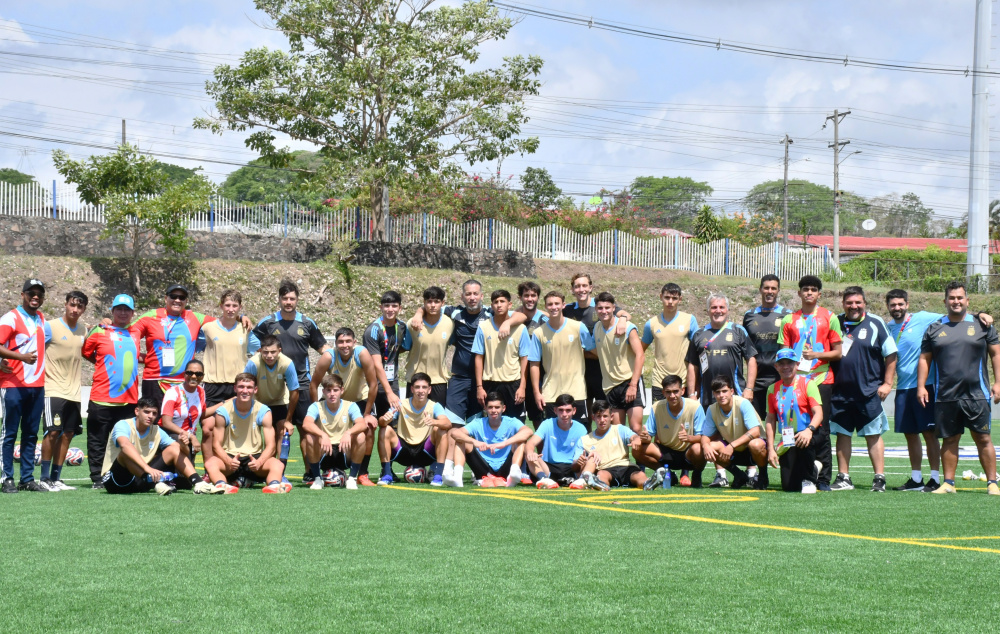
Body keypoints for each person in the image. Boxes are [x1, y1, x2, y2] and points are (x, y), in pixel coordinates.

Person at [883, 289, 991, 492]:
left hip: (927, 386)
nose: (897, 308)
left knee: (929, 433)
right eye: (893, 305)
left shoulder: (924, 318)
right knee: (909, 433)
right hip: (903, 387)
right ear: (888, 306)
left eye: (900, 304)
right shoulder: (888, 327)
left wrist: (980, 314)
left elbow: (955, 312)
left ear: (907, 304)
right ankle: (916, 479)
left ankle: (934, 478)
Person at [917, 281, 1000, 496]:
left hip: (977, 393)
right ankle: (948, 483)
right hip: (946, 394)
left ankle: (992, 483)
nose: (956, 301)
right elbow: (924, 359)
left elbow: (996, 354)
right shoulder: (934, 328)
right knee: (950, 439)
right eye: (952, 298)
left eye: (960, 298)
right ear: (945, 301)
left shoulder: (982, 325)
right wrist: (921, 386)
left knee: (983, 438)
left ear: (967, 300)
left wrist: (998, 382)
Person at [411, 279, 528, 422]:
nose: (472, 297)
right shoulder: (454, 312)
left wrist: (508, 322)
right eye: (468, 294)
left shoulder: (491, 312)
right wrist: (418, 313)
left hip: (484, 380)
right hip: (460, 377)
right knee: (453, 424)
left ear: (481, 296)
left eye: (475, 294)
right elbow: (431, 305)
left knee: (477, 425)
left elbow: (521, 315)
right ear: (462, 297)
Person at [252, 280, 328, 481]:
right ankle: (277, 472)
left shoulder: (307, 322)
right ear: (279, 299)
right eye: (284, 298)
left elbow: (323, 347)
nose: (288, 302)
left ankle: (310, 472)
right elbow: (250, 342)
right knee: (278, 430)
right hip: (275, 386)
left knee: (306, 430)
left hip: (302, 384)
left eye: (292, 298)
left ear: (297, 299)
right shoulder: (268, 322)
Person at [133, 284, 246, 411]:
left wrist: (240, 317)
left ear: (186, 301)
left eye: (182, 297)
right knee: (152, 423)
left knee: (182, 423)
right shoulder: (151, 316)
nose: (177, 300)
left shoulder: (194, 317)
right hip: (155, 380)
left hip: (184, 381)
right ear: (166, 298)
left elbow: (224, 320)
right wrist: (142, 357)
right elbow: (127, 334)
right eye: (173, 296)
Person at [777, 275, 842, 491]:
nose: (809, 293)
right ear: (799, 293)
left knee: (820, 431)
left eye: (814, 289)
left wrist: (816, 354)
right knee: (791, 425)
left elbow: (838, 352)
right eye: (805, 289)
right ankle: (796, 474)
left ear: (819, 294)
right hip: (795, 380)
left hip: (821, 377)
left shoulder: (829, 317)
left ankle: (822, 479)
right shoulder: (789, 320)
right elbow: (782, 352)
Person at [829, 287, 896, 493]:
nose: (854, 306)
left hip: (868, 391)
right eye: (849, 302)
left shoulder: (876, 323)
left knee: (873, 434)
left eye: (858, 302)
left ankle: (879, 478)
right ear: (843, 304)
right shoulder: (835, 322)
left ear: (864, 303)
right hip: (839, 392)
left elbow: (891, 354)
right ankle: (844, 477)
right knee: (842, 434)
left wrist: (887, 383)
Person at [81, 294, 142, 489]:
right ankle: (97, 478)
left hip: (129, 399)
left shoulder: (136, 331)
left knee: (123, 440)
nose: (123, 313)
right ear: (112, 311)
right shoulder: (100, 330)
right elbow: (85, 352)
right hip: (102, 397)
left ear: (132, 313)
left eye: (127, 309)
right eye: (119, 309)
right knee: (97, 440)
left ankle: (117, 474)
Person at [100, 398, 214, 495]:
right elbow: (124, 445)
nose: (150, 416)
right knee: (125, 453)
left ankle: (199, 483)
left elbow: (177, 449)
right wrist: (148, 469)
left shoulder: (156, 430)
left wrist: (183, 444)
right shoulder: (123, 425)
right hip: (115, 482)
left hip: (143, 479)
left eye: (154, 413)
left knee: (174, 448)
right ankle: (155, 482)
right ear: (137, 411)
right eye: (147, 412)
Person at [310, 327, 379, 485]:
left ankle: (362, 473)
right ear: (335, 344)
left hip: (358, 399)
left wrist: (367, 413)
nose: (345, 345)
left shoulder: (362, 354)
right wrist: (315, 410)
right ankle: (313, 473)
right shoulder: (328, 357)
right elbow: (313, 384)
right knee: (314, 433)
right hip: (334, 399)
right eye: (341, 342)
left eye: (348, 341)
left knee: (367, 428)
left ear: (354, 342)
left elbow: (373, 384)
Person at [0, 279, 49, 493]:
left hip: (37, 385)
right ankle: (6, 478)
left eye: (39, 293)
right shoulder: (11, 317)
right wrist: (19, 357)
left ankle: (27, 478)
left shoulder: (41, 318)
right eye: (31, 293)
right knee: (9, 433)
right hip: (13, 384)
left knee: (30, 433)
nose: (35, 296)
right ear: (23, 294)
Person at [204, 373, 289, 494]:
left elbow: (271, 445)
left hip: (254, 458)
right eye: (241, 387)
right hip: (231, 458)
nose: (245, 391)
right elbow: (216, 445)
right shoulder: (223, 411)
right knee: (210, 463)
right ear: (235, 388)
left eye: (249, 387)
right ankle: (222, 486)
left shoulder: (263, 411)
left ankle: (274, 485)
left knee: (277, 465)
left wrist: (259, 462)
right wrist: (228, 461)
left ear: (255, 390)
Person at [39, 290, 88, 491]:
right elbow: (31, 348)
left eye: (80, 306)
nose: (75, 309)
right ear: (66, 304)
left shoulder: (83, 330)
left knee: (68, 434)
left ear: (84, 309)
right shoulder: (50, 326)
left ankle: (56, 478)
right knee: (52, 432)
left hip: (74, 392)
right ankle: (44, 478)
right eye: (72, 305)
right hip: (53, 389)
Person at [562, 273, 631, 418]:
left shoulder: (600, 305)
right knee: (583, 415)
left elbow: (625, 313)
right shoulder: (567, 310)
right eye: (577, 286)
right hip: (580, 369)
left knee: (604, 414)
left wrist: (623, 320)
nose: (581, 289)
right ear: (572, 289)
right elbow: (551, 315)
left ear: (590, 287)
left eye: (584, 286)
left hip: (603, 368)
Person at [528, 291, 596, 427]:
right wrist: (537, 392)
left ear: (563, 305)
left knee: (581, 435)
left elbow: (595, 352)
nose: (554, 307)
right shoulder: (538, 333)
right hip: (551, 393)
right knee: (553, 435)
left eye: (557, 304)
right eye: (550, 304)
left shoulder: (578, 327)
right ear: (545, 307)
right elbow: (534, 364)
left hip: (577, 392)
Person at [364, 291, 412, 475]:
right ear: (381, 307)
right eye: (386, 305)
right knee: (370, 426)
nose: (390, 309)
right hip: (372, 385)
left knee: (391, 425)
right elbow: (377, 364)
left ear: (399, 308)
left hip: (391, 382)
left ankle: (387, 470)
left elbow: (399, 350)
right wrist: (390, 392)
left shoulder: (402, 327)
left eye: (394, 306)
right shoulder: (373, 330)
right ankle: (363, 471)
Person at [376, 372, 453, 486]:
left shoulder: (434, 406)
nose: (420, 390)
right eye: (417, 387)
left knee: (440, 429)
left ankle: (438, 476)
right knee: (384, 429)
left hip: (425, 452)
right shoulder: (401, 404)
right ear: (412, 389)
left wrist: (434, 422)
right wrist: (385, 419)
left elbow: (448, 423)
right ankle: (387, 474)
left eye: (424, 387)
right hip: (403, 450)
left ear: (429, 390)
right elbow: (381, 422)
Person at [765, 348, 825, 494]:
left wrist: (809, 430)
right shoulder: (772, 389)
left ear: (797, 364)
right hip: (787, 437)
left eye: (790, 363)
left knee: (803, 438)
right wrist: (771, 449)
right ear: (776, 367)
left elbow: (819, 413)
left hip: (810, 433)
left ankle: (809, 479)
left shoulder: (808, 383)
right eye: (782, 363)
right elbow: (770, 420)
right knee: (789, 486)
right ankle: (814, 468)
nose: (786, 367)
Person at [686, 293, 757, 409]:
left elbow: (751, 358)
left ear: (727, 310)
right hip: (708, 396)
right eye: (714, 307)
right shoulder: (699, 334)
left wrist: (749, 388)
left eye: (721, 307)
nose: (718, 311)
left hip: (735, 394)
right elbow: (692, 365)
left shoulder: (738, 331)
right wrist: (691, 394)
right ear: (708, 310)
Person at [448, 392, 533, 487]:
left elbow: (528, 432)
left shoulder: (511, 422)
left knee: (521, 441)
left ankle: (514, 473)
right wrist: (475, 442)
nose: (493, 410)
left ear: (503, 408)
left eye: (497, 407)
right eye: (490, 407)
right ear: (485, 408)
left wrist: (504, 443)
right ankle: (457, 478)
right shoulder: (478, 423)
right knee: (461, 440)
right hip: (483, 468)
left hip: (505, 468)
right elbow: (455, 433)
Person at [301, 374, 369, 490]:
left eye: (335, 390)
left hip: (344, 452)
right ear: (323, 391)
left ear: (341, 390)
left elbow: (362, 424)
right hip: (324, 452)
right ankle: (317, 479)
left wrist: (348, 433)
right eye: (328, 390)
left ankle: (352, 479)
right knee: (309, 437)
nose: (332, 394)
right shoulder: (316, 406)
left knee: (361, 436)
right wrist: (322, 435)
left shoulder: (350, 406)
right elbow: (306, 424)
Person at [638, 375, 707, 489]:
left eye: (675, 391)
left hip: (687, 453)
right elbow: (649, 435)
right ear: (663, 393)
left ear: (682, 390)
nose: (672, 396)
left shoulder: (695, 407)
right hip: (665, 452)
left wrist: (689, 438)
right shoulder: (657, 407)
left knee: (699, 448)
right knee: (638, 449)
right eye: (668, 392)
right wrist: (645, 437)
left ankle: (697, 474)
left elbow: (703, 437)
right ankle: (667, 474)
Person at [472, 289, 531, 420]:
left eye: (502, 301)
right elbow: (479, 357)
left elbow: (524, 359)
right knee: (492, 421)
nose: (499, 305)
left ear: (509, 305)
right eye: (495, 302)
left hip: (513, 383)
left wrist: (522, 386)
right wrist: (479, 387)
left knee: (516, 424)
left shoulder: (521, 328)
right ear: (491, 305)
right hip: (490, 383)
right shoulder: (483, 326)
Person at [701, 376, 767, 490]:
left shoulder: (743, 403)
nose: (721, 395)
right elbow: (705, 436)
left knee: (756, 444)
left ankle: (763, 476)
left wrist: (731, 445)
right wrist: (705, 446)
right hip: (733, 450)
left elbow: (755, 431)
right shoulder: (712, 409)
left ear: (732, 391)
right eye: (717, 392)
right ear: (713, 394)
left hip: (751, 449)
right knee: (711, 446)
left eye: (724, 391)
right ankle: (739, 475)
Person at [243, 335, 299, 467]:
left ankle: (280, 468)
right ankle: (249, 468)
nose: (269, 355)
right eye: (265, 352)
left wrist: (288, 420)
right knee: (254, 434)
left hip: (279, 401)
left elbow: (294, 391)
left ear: (279, 350)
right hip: (258, 403)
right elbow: (245, 387)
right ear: (260, 351)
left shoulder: (287, 363)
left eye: (273, 352)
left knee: (282, 431)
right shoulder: (253, 363)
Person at [592, 292, 645, 431]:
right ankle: (624, 454)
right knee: (617, 431)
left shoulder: (627, 327)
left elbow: (640, 355)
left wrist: (633, 385)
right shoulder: (597, 329)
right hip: (611, 387)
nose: (604, 311)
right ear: (595, 309)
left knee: (636, 427)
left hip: (630, 382)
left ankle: (649, 453)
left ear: (614, 308)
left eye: (607, 307)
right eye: (600, 308)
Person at [743, 275, 792, 419]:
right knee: (756, 424)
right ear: (760, 290)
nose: (769, 291)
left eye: (773, 288)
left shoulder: (787, 315)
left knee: (784, 422)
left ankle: (786, 443)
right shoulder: (749, 315)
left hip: (780, 376)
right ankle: (764, 443)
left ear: (778, 291)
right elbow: (745, 349)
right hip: (756, 380)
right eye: (766, 288)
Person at [200, 289, 260, 408]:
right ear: (221, 306)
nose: (231, 309)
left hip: (238, 383)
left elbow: (261, 351)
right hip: (213, 383)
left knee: (235, 424)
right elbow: (194, 346)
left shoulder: (245, 329)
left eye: (234, 306)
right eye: (227, 305)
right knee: (208, 425)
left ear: (240, 307)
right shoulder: (207, 328)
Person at [572, 401, 647, 490]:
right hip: (605, 469)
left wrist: (636, 439)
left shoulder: (620, 429)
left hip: (626, 467)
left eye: (605, 416)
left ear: (611, 417)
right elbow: (574, 467)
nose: (602, 420)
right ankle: (600, 485)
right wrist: (579, 462)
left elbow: (634, 437)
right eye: (598, 416)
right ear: (593, 418)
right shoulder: (585, 440)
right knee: (601, 475)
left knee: (640, 475)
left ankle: (648, 483)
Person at [642, 283, 699, 400]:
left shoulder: (689, 320)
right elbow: (640, 350)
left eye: (674, 298)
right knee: (660, 418)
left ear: (680, 299)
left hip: (683, 381)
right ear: (660, 297)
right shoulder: (651, 324)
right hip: (660, 382)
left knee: (685, 418)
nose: (670, 302)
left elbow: (698, 349)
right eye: (667, 297)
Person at [524, 394, 588, 489]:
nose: (564, 414)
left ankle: (581, 481)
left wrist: (580, 461)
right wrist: (530, 453)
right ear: (555, 410)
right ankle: (544, 479)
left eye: (568, 410)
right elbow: (531, 443)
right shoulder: (547, 424)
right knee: (529, 456)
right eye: (561, 410)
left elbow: (578, 461)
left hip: (572, 467)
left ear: (574, 411)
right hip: (548, 467)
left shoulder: (581, 428)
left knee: (590, 458)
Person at [404, 286, 454, 405]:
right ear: (424, 302)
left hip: (439, 380)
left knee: (437, 419)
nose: (433, 305)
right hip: (415, 379)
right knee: (414, 419)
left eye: (436, 301)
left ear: (443, 303)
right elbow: (406, 346)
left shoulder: (450, 323)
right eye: (429, 301)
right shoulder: (412, 324)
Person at [160, 359, 217, 464]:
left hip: (190, 438)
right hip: (172, 435)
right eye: (190, 373)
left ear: (203, 376)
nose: (194, 376)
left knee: (187, 477)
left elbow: (202, 413)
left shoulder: (201, 391)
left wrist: (224, 403)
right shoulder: (173, 392)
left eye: (198, 374)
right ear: (184, 374)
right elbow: (166, 422)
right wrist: (190, 436)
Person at [513, 281, 547, 425]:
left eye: (533, 295)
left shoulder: (545, 319)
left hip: (539, 373)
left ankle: (540, 448)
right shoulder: (511, 317)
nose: (530, 299)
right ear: (520, 297)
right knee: (515, 420)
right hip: (515, 375)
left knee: (539, 419)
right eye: (526, 295)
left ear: (538, 297)